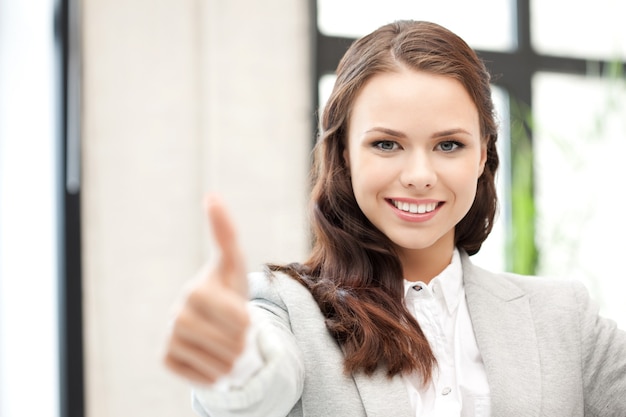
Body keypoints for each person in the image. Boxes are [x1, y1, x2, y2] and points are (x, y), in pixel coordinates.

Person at [162, 20, 626, 417]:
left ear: (483, 154)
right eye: (386, 144)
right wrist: (235, 361)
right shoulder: (283, 310)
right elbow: (260, 386)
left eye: (449, 145)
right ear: (344, 152)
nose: (419, 176)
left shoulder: (565, 318)